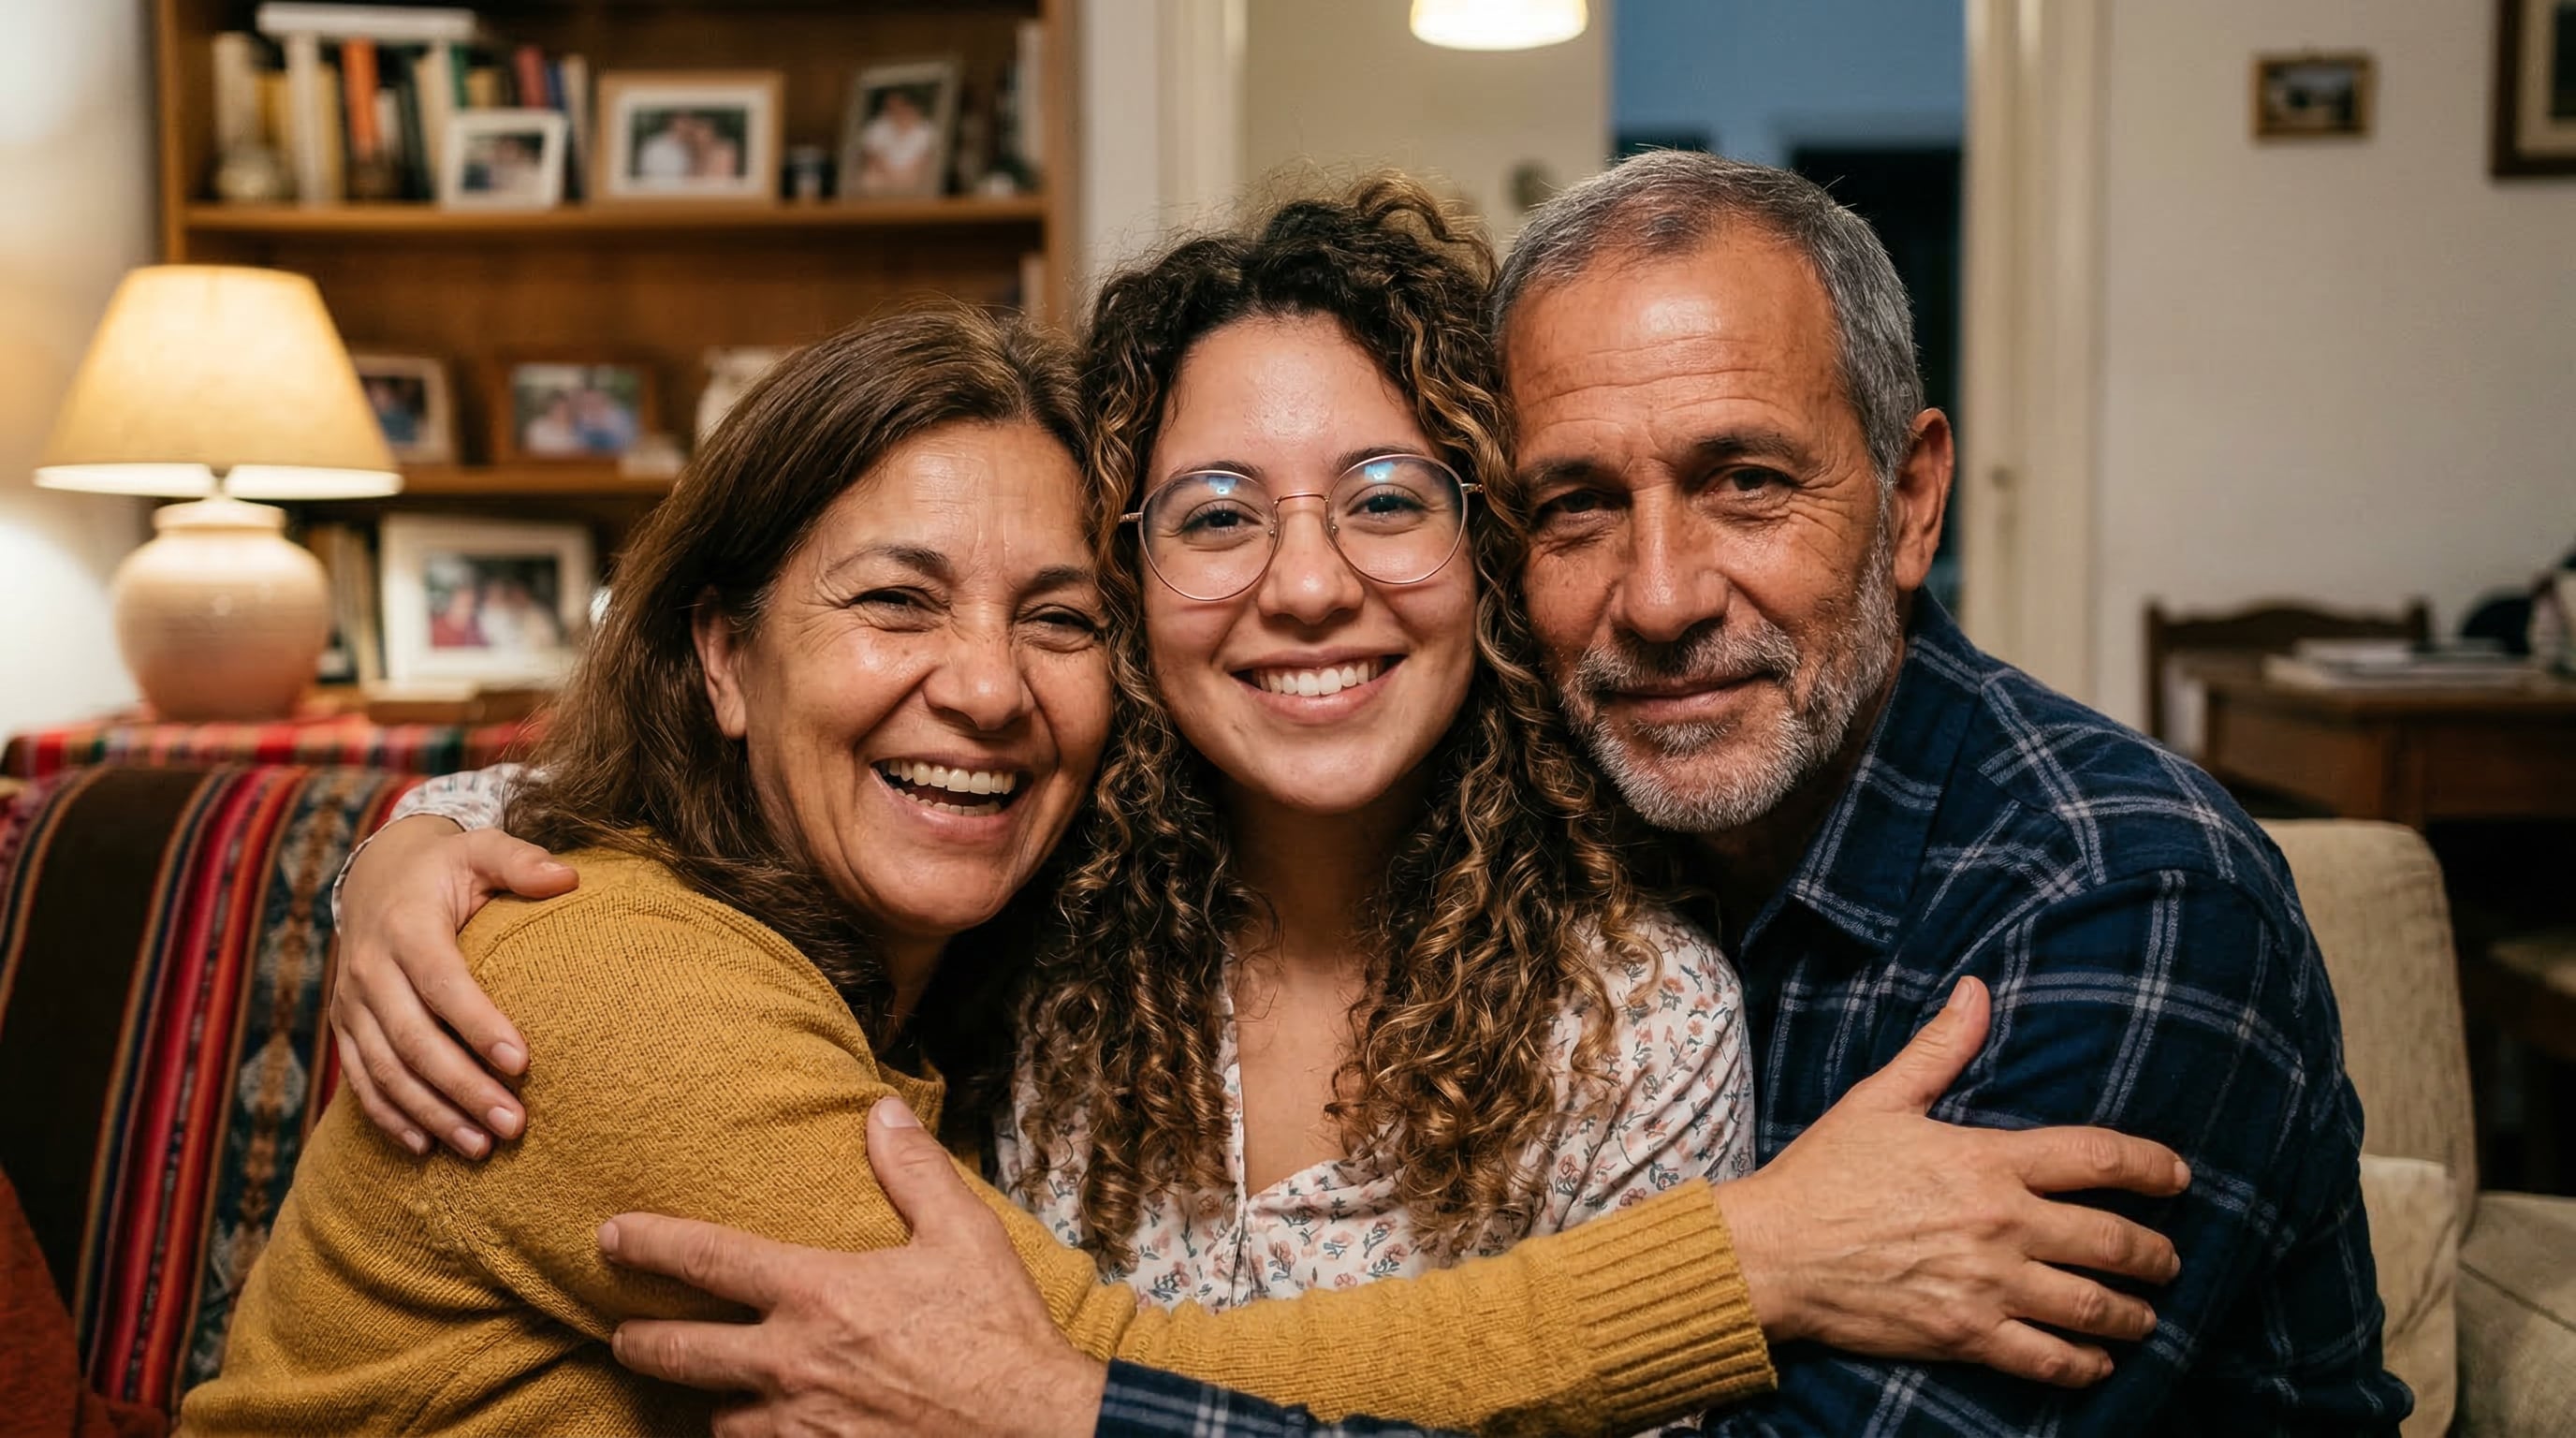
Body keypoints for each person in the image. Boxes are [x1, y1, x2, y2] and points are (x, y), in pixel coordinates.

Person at [319, 184, 2193, 1430]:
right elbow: (652, 843)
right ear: (1132, 583)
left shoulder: (1635, 1017)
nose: (1304, 585)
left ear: (1486, 553)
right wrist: (404, 856)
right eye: (1214, 515)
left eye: (1386, 498)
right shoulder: (1012, 911)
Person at [772, 151, 2403, 1434]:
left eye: (1744, 481)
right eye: (1576, 505)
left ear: (1911, 504)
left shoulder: (2110, 897)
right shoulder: (1059, 897)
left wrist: (1061, 1412)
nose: (1664, 593)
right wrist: (513, 846)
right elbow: (752, 802)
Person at [176, 304, 1811, 1438]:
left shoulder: (1019, 903)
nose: (986, 689)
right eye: (895, 601)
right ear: (723, 658)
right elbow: (1107, 1385)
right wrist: (1753, 1264)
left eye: (1054, 618)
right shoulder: (616, 978)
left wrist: (415, 837)